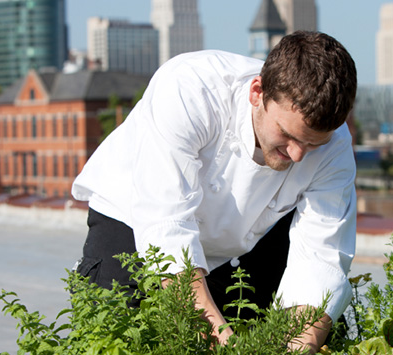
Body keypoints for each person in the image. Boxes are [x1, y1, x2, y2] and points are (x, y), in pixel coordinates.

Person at [71, 30, 357, 353]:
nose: (298, 155)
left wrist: (294, 347)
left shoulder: (335, 148)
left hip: (238, 244)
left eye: (311, 144)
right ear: (257, 92)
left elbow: (320, 263)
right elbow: (167, 230)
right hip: (130, 218)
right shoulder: (188, 89)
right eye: (288, 135)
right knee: (108, 333)